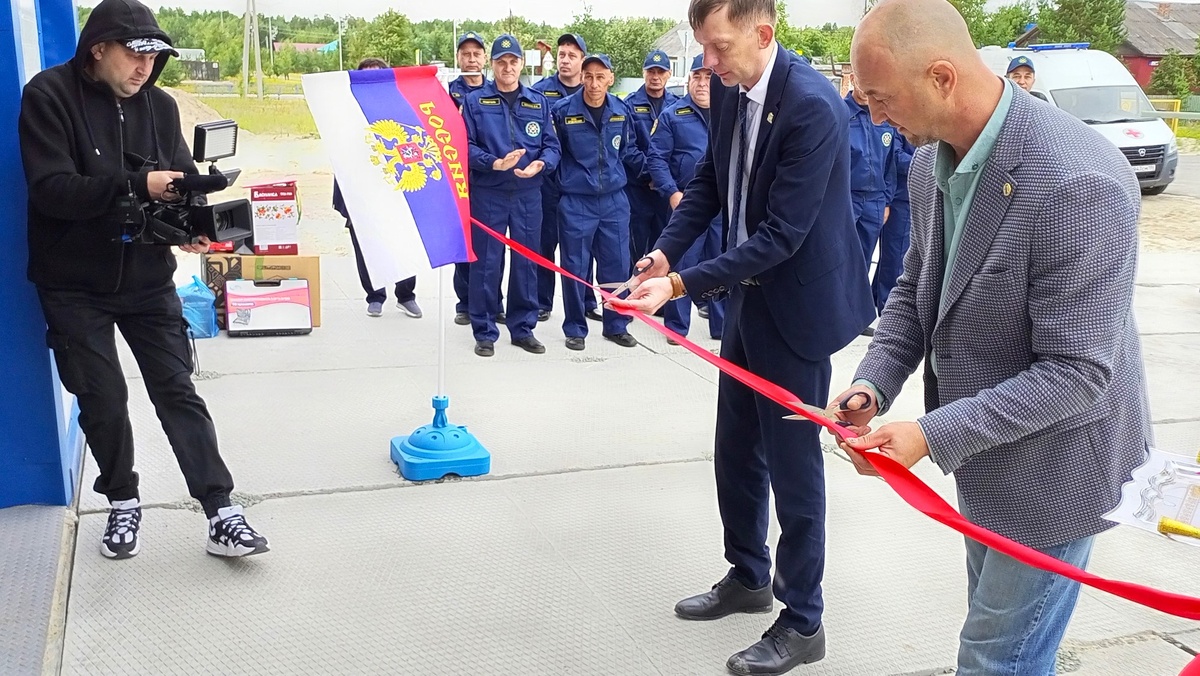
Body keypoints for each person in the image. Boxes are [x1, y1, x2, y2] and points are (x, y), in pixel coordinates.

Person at [833, 1, 1149, 674]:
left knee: (993, 659)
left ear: (942, 78)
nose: (877, 118)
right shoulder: (928, 166)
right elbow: (914, 296)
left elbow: (1076, 372)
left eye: (882, 99)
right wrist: (872, 382)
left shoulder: (1076, 181)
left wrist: (929, 435)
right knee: (1012, 648)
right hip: (988, 459)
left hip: (1054, 475)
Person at [613, 0, 874, 672]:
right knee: (735, 450)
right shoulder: (731, 90)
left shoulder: (814, 107)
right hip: (747, 304)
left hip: (797, 309)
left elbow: (782, 236)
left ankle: (804, 621)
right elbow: (708, 184)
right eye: (704, 46)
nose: (709, 62)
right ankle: (749, 577)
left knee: (794, 469)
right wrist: (666, 254)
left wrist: (679, 288)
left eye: (720, 46)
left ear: (764, 33)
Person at [18, 0, 269, 560]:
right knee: (102, 398)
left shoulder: (159, 105)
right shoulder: (48, 95)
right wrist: (136, 185)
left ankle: (221, 509)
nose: (144, 68)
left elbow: (175, 180)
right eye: (135, 53)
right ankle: (122, 502)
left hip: (149, 278)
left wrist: (187, 227)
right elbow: (52, 189)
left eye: (154, 58)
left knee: (178, 390)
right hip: (72, 283)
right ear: (98, 49)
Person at [461, 35, 560, 357]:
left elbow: (552, 145)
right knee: (487, 264)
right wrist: (494, 163)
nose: (507, 67)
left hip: (528, 194)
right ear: (492, 65)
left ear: (521, 64)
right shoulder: (476, 102)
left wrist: (541, 164)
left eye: (513, 61)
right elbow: (465, 147)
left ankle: (522, 328)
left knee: (526, 263)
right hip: (489, 193)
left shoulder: (538, 101)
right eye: (501, 61)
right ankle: (485, 330)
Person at [552, 54, 644, 351]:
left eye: (600, 76)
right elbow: (555, 154)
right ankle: (576, 327)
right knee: (574, 267)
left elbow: (629, 151)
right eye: (588, 76)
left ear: (611, 78)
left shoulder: (621, 110)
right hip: (577, 202)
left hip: (614, 201)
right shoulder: (562, 112)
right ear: (580, 77)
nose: (593, 83)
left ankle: (616, 325)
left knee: (616, 265)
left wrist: (654, 177)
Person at [333, 58, 421, 319]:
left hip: (395, 188)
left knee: (403, 242)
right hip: (361, 190)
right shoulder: (346, 111)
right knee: (365, 244)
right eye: (365, 77)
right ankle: (375, 295)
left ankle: (406, 295)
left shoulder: (400, 107)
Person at [646, 54, 725, 343]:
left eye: (708, 77)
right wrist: (672, 192)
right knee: (682, 264)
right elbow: (656, 159)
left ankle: (721, 326)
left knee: (720, 263)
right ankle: (676, 327)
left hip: (721, 209)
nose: (703, 83)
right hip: (687, 206)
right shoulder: (672, 116)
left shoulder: (728, 113)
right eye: (697, 77)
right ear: (688, 80)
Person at [533, 33, 591, 323]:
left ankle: (587, 300)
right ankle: (543, 301)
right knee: (546, 243)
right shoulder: (541, 92)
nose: (565, 60)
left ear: (582, 60)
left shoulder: (593, 91)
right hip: (550, 183)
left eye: (572, 55)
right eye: (562, 54)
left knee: (584, 246)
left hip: (582, 185)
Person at [845, 75, 898, 335]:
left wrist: (887, 200)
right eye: (860, 81)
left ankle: (857, 317)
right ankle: (835, 315)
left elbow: (890, 165)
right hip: (848, 198)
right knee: (842, 258)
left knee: (865, 259)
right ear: (852, 79)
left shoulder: (883, 118)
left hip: (875, 200)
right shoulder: (841, 115)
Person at [448, 31, 491, 326]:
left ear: (485, 58)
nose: (471, 59)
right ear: (458, 58)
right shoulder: (445, 94)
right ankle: (464, 303)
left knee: (491, 246)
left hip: (489, 180)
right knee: (465, 244)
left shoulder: (495, 89)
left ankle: (491, 302)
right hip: (460, 180)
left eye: (477, 54)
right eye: (466, 54)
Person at [625, 49, 678, 271]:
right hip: (639, 192)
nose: (655, 76)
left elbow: (678, 148)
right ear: (643, 73)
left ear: (669, 74)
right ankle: (631, 301)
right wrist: (654, 173)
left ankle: (661, 306)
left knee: (663, 253)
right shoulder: (628, 105)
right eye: (651, 71)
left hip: (665, 195)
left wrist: (663, 180)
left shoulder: (677, 106)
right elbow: (627, 149)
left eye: (660, 72)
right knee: (634, 254)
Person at [873, 132, 914, 313]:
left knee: (895, 255)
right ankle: (888, 307)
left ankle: (875, 295)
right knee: (895, 256)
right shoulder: (900, 125)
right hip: (900, 198)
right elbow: (895, 157)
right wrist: (925, 162)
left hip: (914, 197)